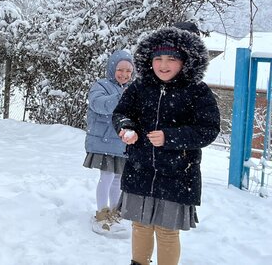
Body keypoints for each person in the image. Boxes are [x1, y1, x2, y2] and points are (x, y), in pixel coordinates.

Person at [112, 26, 220, 265]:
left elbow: (208, 129)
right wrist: (127, 128)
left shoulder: (197, 91)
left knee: (167, 231)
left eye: (171, 59)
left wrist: (170, 137)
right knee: (140, 225)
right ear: (149, 59)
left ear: (185, 61)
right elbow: (121, 113)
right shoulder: (140, 87)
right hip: (140, 169)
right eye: (158, 58)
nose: (163, 65)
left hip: (178, 174)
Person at [84, 49, 134, 236]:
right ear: (112, 68)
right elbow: (99, 104)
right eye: (120, 70)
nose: (124, 74)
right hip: (104, 141)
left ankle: (115, 211)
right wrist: (121, 96)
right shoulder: (101, 86)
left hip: (122, 142)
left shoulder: (131, 88)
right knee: (106, 177)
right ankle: (101, 213)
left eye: (128, 71)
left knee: (118, 179)